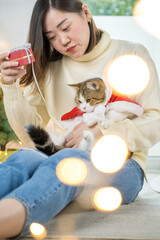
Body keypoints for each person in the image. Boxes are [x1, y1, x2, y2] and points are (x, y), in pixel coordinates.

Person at [0, 0, 160, 238]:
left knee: (69, 160)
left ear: (85, 12)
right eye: (51, 37)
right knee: (23, 159)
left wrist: (103, 133)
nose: (62, 41)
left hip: (123, 166)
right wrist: (10, 86)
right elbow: (28, 134)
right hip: (57, 154)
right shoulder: (49, 69)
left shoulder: (131, 54)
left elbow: (155, 121)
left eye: (65, 28)